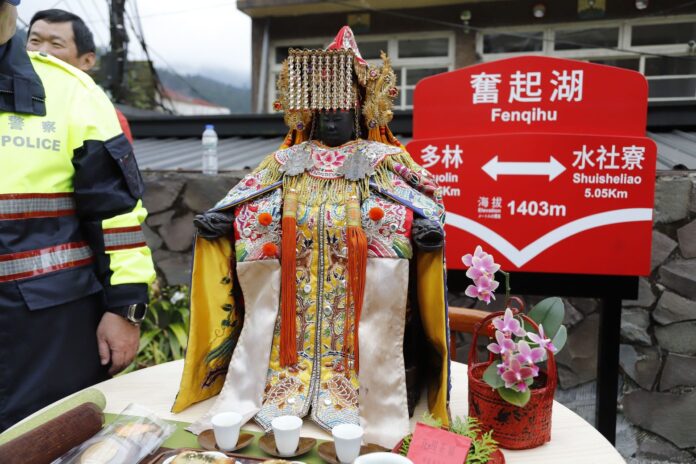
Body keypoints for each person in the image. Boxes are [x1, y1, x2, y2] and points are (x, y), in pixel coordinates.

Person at [173, 26, 449, 449]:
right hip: (294, 290)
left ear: (359, 111)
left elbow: (427, 200)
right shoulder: (288, 160)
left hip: (361, 292)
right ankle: (282, 385)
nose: (332, 118)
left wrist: (423, 229)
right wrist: (225, 220)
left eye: (341, 110)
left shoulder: (383, 160)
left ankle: (361, 391)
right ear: (311, 114)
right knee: (286, 332)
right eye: (324, 110)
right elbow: (248, 196)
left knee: (364, 333)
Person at [0, 0, 155, 431]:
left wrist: (126, 309)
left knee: (56, 445)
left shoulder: (71, 92)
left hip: (49, 332)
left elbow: (116, 214)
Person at [26, 9, 133, 142]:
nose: (42, 52)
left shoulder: (108, 119)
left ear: (87, 61)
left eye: (56, 44)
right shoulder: (6, 99)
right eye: (35, 41)